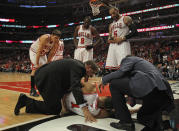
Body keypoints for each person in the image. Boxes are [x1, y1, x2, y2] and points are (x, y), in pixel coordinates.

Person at [100, 56, 175, 131]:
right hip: (162, 91)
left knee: (114, 84)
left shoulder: (129, 59)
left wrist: (104, 79)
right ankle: (163, 123)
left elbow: (121, 72)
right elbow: (130, 84)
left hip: (150, 84)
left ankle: (126, 122)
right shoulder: (144, 64)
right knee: (142, 117)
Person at [14, 59, 99, 123]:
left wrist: (65, 105)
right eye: (92, 73)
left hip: (47, 77)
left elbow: (67, 85)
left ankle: (28, 103)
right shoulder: (79, 68)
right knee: (54, 109)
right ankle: (25, 101)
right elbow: (75, 87)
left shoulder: (77, 64)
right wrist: (84, 109)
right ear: (89, 67)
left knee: (56, 106)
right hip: (45, 79)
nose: (91, 76)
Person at [29, 29, 61, 97]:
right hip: (34, 52)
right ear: (51, 35)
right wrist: (37, 64)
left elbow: (51, 53)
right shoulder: (45, 38)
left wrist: (48, 63)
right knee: (35, 69)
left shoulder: (57, 42)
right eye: (55, 38)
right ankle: (32, 90)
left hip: (43, 54)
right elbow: (39, 50)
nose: (56, 39)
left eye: (58, 38)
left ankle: (44, 88)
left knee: (46, 70)